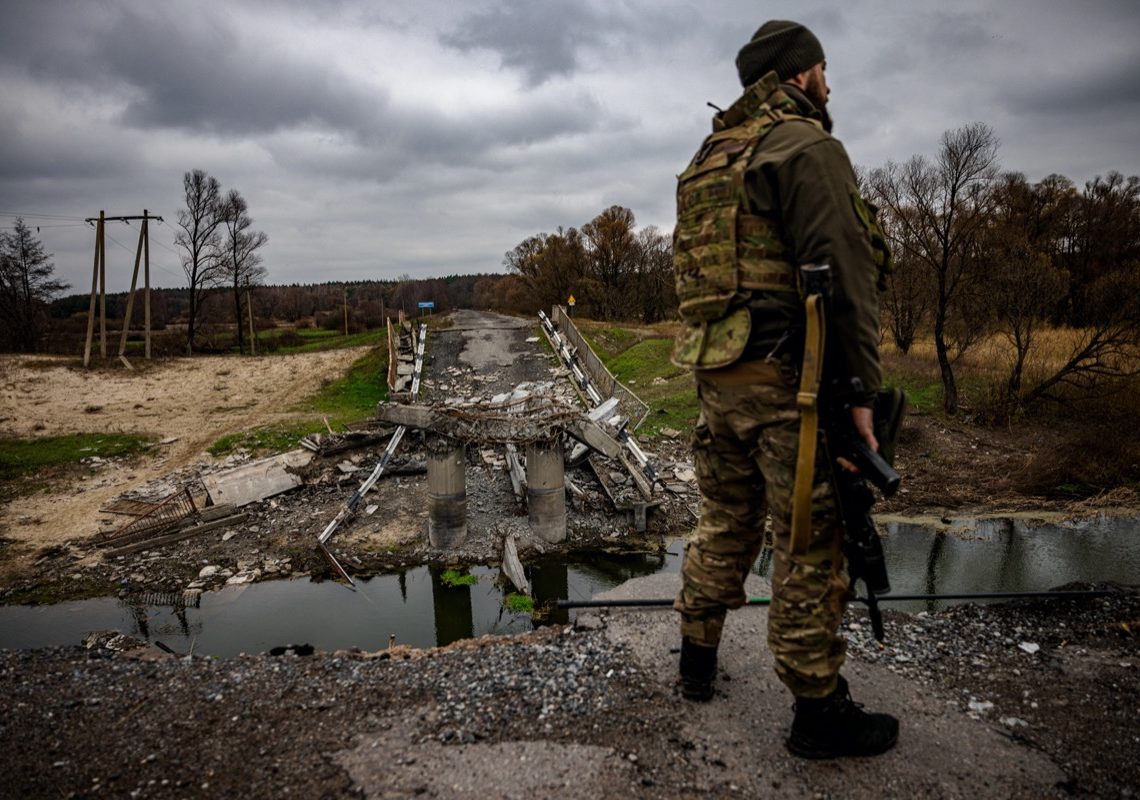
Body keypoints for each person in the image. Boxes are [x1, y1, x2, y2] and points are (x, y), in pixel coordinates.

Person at [670, 20, 898, 759]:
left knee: (726, 519)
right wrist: (860, 388)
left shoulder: (709, 159)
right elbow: (848, 274)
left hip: (717, 378)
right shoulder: (805, 147)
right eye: (825, 70)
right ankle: (817, 713)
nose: (831, 83)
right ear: (801, 76)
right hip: (788, 386)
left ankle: (696, 660)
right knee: (809, 539)